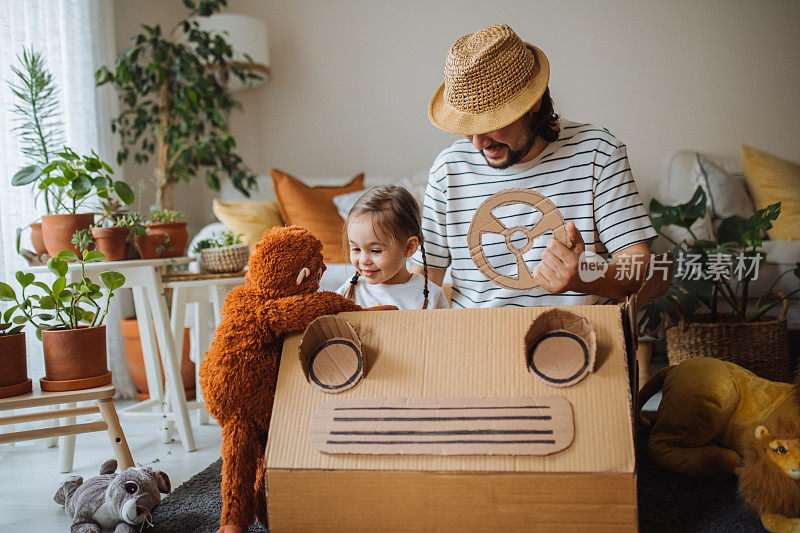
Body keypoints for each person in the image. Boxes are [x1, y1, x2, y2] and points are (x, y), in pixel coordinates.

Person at [410, 24, 656, 308]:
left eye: (492, 124)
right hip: (473, 343)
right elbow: (426, 281)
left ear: (534, 102)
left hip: (579, 340)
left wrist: (586, 276)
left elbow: (638, 267)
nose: (478, 143)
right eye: (467, 127)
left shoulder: (599, 152)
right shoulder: (448, 169)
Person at [337, 185, 450, 310]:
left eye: (376, 251)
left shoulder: (432, 295)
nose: (363, 260)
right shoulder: (349, 290)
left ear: (409, 247)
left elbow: (446, 328)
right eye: (356, 249)